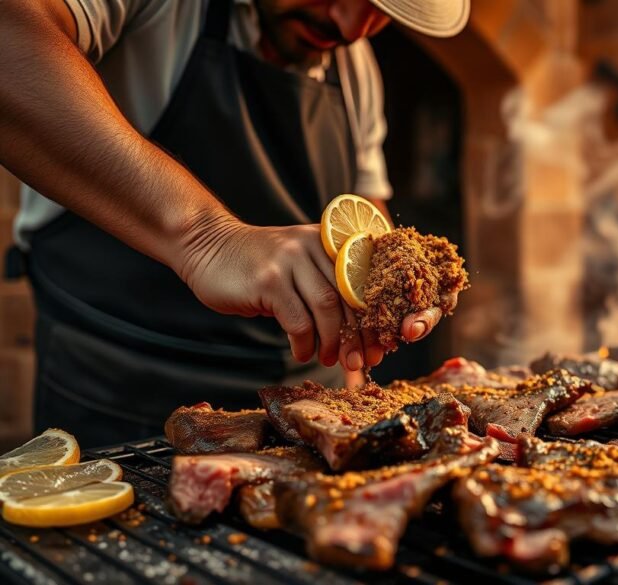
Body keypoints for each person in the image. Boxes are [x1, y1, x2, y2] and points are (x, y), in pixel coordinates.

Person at [0, 0, 470, 446]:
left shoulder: (356, 69)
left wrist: (388, 298)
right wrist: (207, 239)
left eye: (380, 11)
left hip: (303, 400)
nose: (350, 27)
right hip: (114, 383)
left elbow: (366, 222)